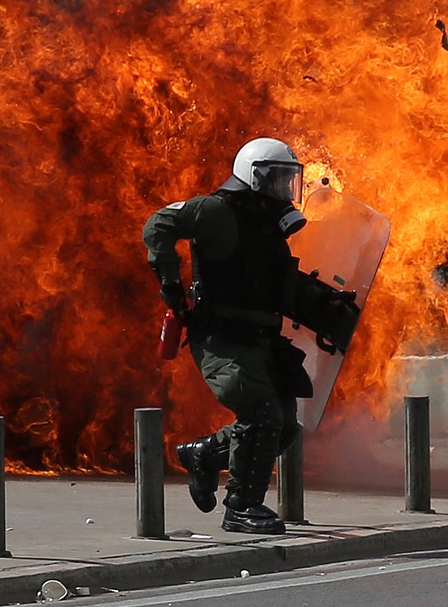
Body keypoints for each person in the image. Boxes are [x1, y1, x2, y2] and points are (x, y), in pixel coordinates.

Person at [142, 137, 359, 534]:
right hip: (222, 337)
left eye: (287, 181)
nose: (282, 189)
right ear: (252, 177)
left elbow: (273, 284)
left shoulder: (268, 229)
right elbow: (158, 224)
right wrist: (170, 284)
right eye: (275, 179)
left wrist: (324, 309)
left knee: (285, 425)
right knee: (260, 414)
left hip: (260, 338)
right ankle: (241, 507)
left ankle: (204, 455)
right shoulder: (216, 211)